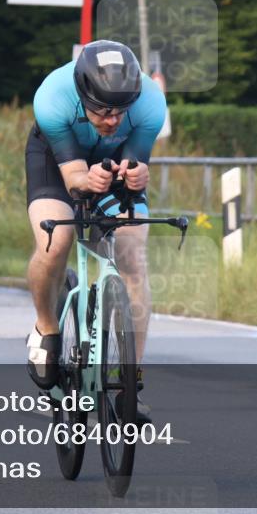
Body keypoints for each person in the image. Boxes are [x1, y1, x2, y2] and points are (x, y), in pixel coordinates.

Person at [25, 40, 166, 423]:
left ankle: (129, 382)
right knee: (55, 242)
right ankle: (46, 327)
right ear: (83, 96)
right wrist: (86, 180)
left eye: (121, 111)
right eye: (102, 110)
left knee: (132, 256)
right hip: (56, 163)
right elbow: (74, 178)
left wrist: (137, 174)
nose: (113, 120)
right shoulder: (52, 97)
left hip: (112, 163)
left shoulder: (151, 103)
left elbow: (133, 165)